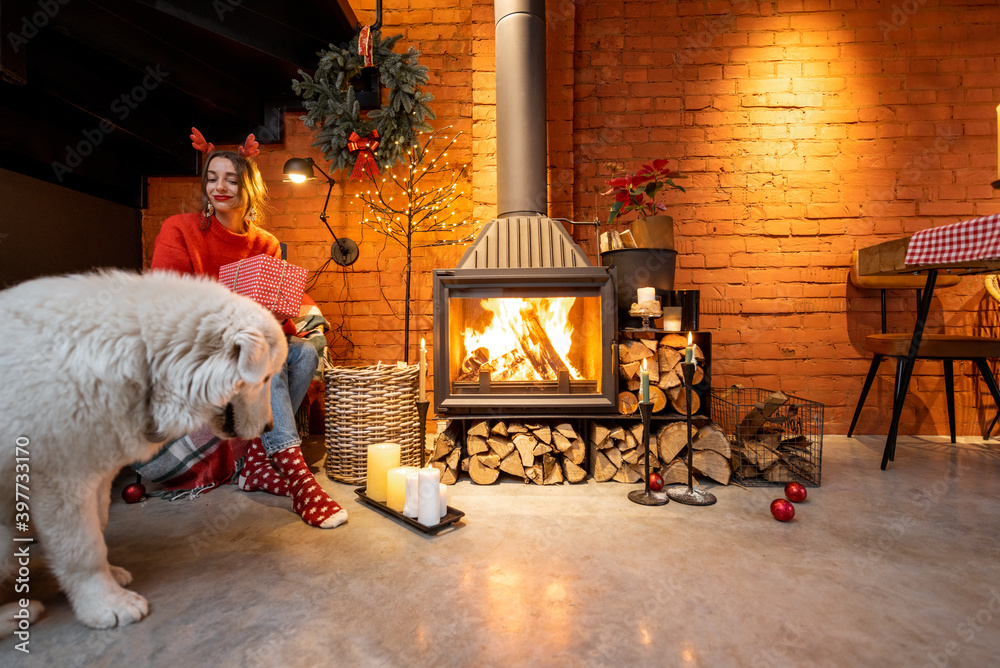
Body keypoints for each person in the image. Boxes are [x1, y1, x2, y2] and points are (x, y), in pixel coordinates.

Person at [150, 141, 347, 529]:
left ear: (249, 188)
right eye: (212, 178)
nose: (220, 188)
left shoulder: (265, 243)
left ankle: (257, 461)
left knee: (304, 353)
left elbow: (275, 318)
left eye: (232, 180)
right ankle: (297, 476)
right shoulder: (181, 229)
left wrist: (277, 313)